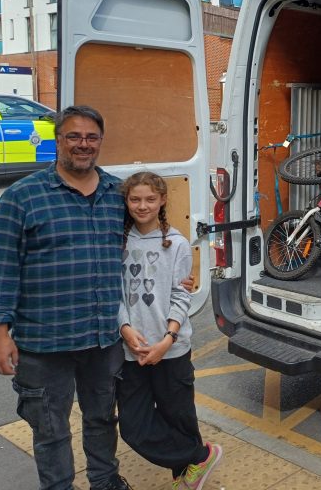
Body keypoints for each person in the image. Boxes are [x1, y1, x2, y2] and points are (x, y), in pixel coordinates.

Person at [0, 106, 132, 490]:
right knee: (50, 427)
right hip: (43, 341)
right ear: (57, 141)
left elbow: (145, 246)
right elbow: (2, 268)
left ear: (100, 142)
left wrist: (178, 275)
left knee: (102, 418)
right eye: (73, 137)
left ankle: (105, 482)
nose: (82, 145)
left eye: (91, 137)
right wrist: (0, 332)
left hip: (103, 337)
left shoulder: (117, 193)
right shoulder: (22, 197)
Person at [116, 171, 222, 490]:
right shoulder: (118, 242)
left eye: (150, 199)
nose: (142, 205)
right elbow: (114, 293)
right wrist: (124, 329)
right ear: (126, 201)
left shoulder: (176, 243)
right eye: (135, 199)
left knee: (179, 419)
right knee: (133, 427)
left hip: (171, 350)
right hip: (129, 351)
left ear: (162, 200)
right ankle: (201, 456)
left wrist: (168, 339)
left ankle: (186, 479)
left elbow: (180, 294)